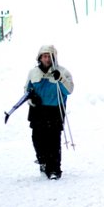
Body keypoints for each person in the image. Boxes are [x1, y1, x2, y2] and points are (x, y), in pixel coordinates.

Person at [24, 45, 74, 179]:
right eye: (44, 56)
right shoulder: (33, 73)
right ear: (40, 57)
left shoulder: (62, 72)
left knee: (53, 140)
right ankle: (43, 162)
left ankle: (54, 170)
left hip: (55, 109)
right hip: (38, 110)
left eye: (50, 56)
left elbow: (69, 90)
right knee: (37, 139)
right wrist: (32, 99)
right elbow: (26, 90)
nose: (47, 59)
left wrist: (61, 79)